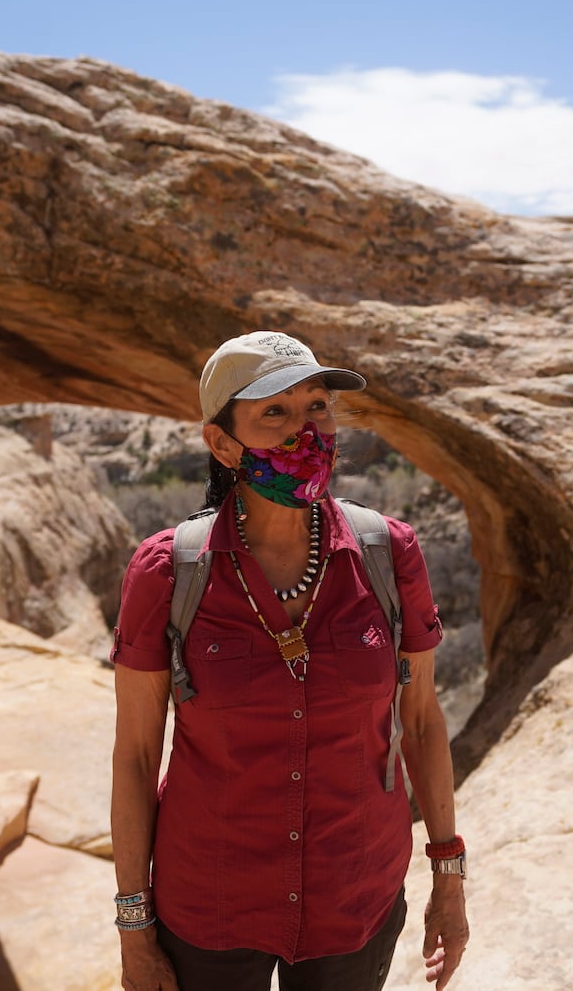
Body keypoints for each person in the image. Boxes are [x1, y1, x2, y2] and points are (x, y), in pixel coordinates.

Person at [109, 330, 471, 991]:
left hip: (353, 901)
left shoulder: (388, 555)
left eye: (317, 408)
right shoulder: (169, 572)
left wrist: (449, 879)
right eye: (274, 412)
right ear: (221, 443)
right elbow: (135, 754)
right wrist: (134, 926)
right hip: (212, 904)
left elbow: (419, 724)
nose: (305, 432)